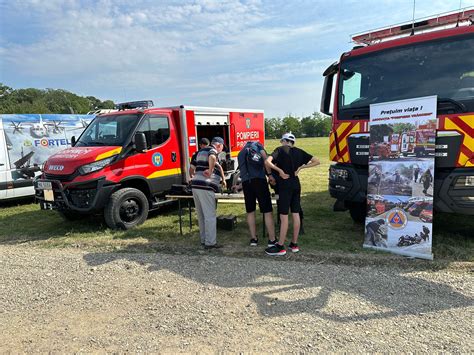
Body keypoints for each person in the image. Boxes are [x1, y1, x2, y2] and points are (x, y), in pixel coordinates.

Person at [264, 133, 320, 256]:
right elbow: (317, 161)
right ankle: (294, 244)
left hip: (285, 185)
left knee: (284, 216)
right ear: (292, 142)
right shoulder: (299, 152)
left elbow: (267, 162)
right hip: (296, 184)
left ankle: (280, 246)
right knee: (295, 213)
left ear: (284, 141)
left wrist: (280, 171)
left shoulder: (279, 150)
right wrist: (301, 168)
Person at [237, 141, 276, 247]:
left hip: (246, 184)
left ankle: (253, 239)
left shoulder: (241, 153)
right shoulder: (258, 146)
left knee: (250, 211)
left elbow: (243, 171)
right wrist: (270, 175)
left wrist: (239, 186)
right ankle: (272, 240)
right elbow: (266, 161)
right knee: (267, 211)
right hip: (259, 181)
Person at [191, 137, 226, 249]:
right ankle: (210, 243)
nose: (220, 151)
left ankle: (203, 240)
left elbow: (191, 168)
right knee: (210, 215)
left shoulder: (199, 151)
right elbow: (212, 156)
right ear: (219, 145)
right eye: (221, 148)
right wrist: (210, 171)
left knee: (201, 215)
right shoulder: (213, 150)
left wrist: (193, 176)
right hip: (205, 186)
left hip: (195, 185)